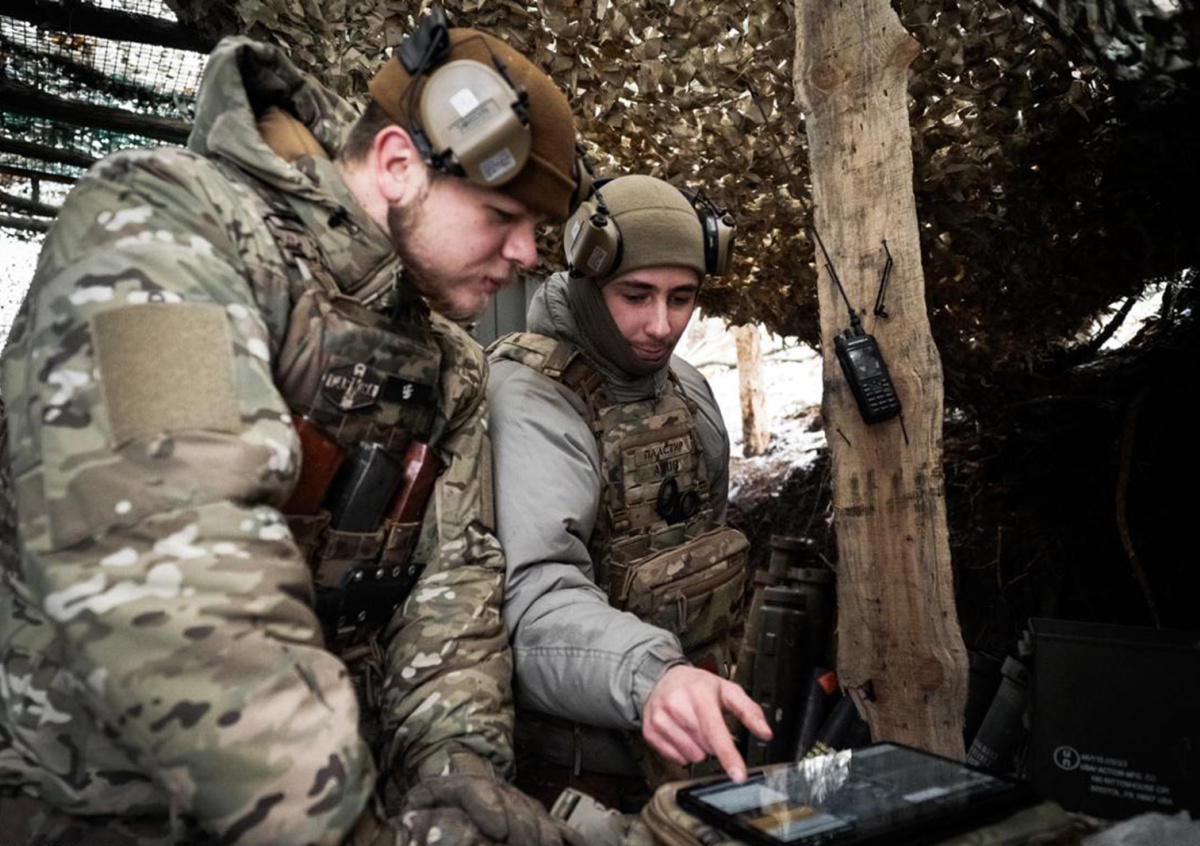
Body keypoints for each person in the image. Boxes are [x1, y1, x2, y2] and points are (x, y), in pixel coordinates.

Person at [0, 9, 589, 846]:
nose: (528, 253)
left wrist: (456, 775)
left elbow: (450, 600)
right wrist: (344, 827)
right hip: (90, 807)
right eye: (502, 216)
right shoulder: (156, 230)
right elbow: (168, 559)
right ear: (398, 164)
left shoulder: (450, 367)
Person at [486, 175, 772, 811]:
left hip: (692, 742)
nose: (661, 325)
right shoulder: (530, 400)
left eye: (682, 297)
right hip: (578, 774)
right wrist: (655, 676)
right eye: (636, 295)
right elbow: (532, 604)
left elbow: (703, 542)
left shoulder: (686, 386)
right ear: (588, 284)